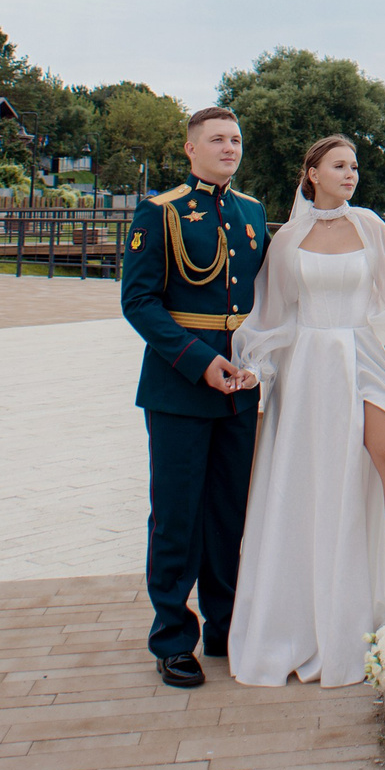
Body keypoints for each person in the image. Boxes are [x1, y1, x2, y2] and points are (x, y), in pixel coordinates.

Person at [227, 134, 385, 686]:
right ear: (311, 172)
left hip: (363, 354)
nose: (351, 174)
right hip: (310, 365)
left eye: (355, 166)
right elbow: (272, 315)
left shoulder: (369, 226)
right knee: (316, 483)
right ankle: (320, 610)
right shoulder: (287, 239)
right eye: (340, 166)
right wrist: (257, 370)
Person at [120, 106, 270, 690]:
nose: (229, 148)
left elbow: (266, 302)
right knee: (178, 516)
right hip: (181, 386)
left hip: (240, 389)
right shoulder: (158, 213)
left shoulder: (252, 212)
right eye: (217, 140)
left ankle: (227, 628)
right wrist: (200, 362)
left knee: (230, 515)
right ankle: (172, 638)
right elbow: (140, 303)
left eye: (235, 138)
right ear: (190, 149)